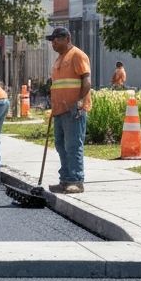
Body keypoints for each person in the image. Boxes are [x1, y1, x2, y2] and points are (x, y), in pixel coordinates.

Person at [46, 26, 91, 194]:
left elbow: (86, 80)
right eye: (52, 41)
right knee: (60, 145)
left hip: (73, 109)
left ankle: (76, 181)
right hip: (59, 110)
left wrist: (79, 102)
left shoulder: (77, 55)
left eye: (56, 39)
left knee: (73, 145)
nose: (53, 43)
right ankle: (65, 179)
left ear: (67, 38)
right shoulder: (59, 59)